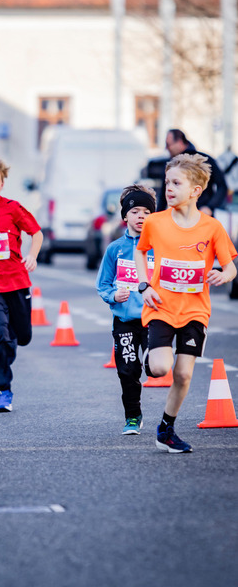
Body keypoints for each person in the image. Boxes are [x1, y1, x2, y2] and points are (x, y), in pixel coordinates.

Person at [135, 153, 237, 453]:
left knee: (183, 374)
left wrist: (224, 274)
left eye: (176, 183)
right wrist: (143, 285)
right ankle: (150, 355)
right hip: (161, 307)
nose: (169, 188)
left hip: (195, 311)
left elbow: (231, 266)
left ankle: (166, 430)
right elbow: (140, 252)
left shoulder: (212, 227)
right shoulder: (155, 222)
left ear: (195, 190)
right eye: (167, 182)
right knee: (159, 368)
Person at [0, 157, 43, 412]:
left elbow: (36, 233)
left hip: (17, 281)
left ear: (3, 184)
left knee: (21, 337)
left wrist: (32, 255)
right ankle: (3, 390)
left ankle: (8, 344)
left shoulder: (13, 208)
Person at [96, 184, 156, 435]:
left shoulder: (159, 247)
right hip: (125, 320)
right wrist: (114, 295)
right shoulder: (115, 249)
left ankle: (153, 360)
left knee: (155, 367)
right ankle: (133, 416)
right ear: (125, 216)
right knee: (128, 370)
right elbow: (103, 284)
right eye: (135, 211)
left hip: (154, 318)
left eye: (147, 212)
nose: (141, 216)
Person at [158, 129, 227, 215]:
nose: (166, 148)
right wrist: (157, 217)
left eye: (168, 145)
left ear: (179, 142)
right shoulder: (171, 164)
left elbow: (222, 186)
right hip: (180, 216)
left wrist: (209, 207)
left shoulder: (205, 160)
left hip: (202, 214)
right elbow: (163, 196)